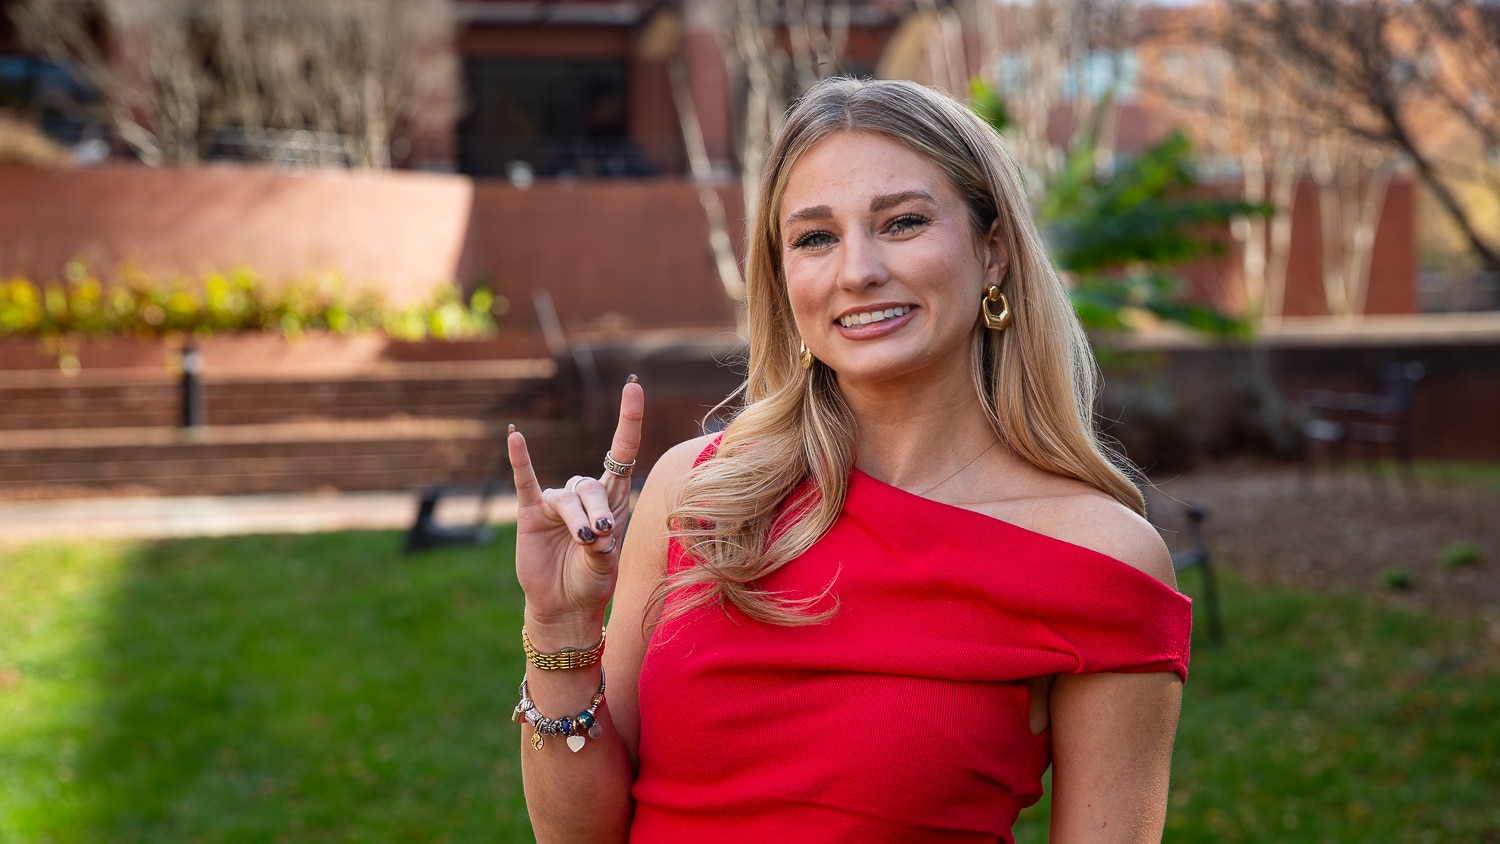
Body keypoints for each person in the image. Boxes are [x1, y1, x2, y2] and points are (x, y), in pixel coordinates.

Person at [506, 76, 1191, 844]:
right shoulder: (696, 491)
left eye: (901, 222)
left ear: (992, 250)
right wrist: (562, 628)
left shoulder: (1099, 559)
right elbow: (581, 836)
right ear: (784, 275)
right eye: (815, 237)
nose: (856, 270)